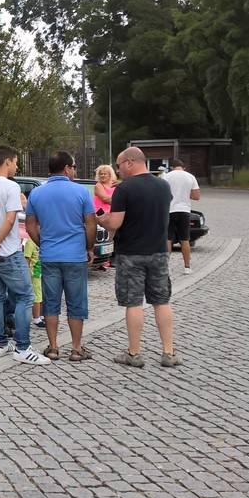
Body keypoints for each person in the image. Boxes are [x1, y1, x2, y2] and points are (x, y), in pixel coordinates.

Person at [97, 147, 183, 368]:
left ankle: (134, 353)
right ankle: (168, 352)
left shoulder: (125, 189)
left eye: (119, 165)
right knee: (162, 301)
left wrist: (101, 220)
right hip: (159, 252)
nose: (117, 169)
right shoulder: (163, 186)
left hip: (131, 254)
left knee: (134, 303)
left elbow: (115, 223)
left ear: (130, 162)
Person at [0, 146, 50, 365]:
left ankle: (0, 343)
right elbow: (10, 220)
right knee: (25, 296)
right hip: (8, 251)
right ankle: (23, 347)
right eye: (16, 162)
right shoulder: (10, 186)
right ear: (7, 161)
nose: (17, 166)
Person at [25, 151, 95, 362]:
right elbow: (91, 223)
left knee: (51, 303)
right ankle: (76, 348)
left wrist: (43, 243)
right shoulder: (81, 192)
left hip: (50, 256)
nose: (74, 170)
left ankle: (53, 347)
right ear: (66, 168)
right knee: (76, 303)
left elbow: (30, 226)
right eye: (73, 167)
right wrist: (89, 247)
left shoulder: (37, 194)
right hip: (75, 256)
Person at [162, 158, 200, 275]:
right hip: (184, 210)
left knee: (168, 239)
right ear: (183, 167)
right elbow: (196, 196)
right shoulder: (190, 177)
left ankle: (166, 267)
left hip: (169, 210)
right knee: (185, 239)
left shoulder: (166, 177)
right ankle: (187, 267)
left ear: (172, 167)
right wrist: (185, 193)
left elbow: (161, 194)